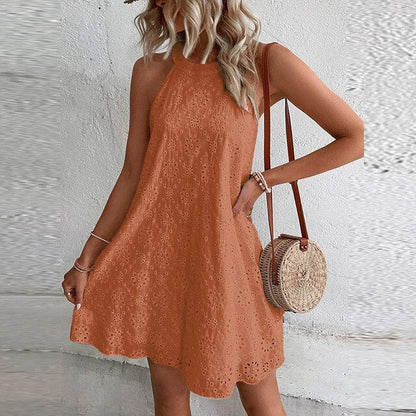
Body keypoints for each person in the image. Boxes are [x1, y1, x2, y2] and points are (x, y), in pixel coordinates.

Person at [62, 0, 364, 415]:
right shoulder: (150, 70)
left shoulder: (265, 62)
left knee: (261, 399)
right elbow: (133, 173)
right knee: (170, 399)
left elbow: (352, 138)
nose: (159, 3)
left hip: (228, 256)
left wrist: (265, 181)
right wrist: (85, 260)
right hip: (160, 256)